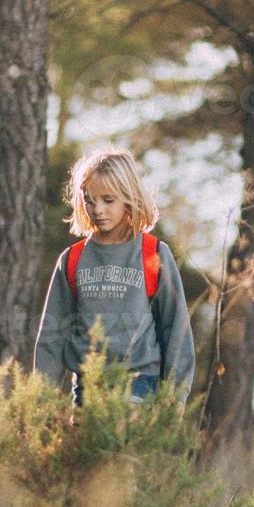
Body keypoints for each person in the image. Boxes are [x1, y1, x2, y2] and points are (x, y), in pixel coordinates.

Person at [34, 147, 195, 408]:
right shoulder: (72, 259)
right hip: (87, 385)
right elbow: (52, 334)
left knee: (120, 446)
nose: (97, 209)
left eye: (108, 200)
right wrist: (41, 402)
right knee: (89, 449)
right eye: (90, 199)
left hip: (140, 382)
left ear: (129, 198)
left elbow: (176, 329)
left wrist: (175, 399)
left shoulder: (153, 253)